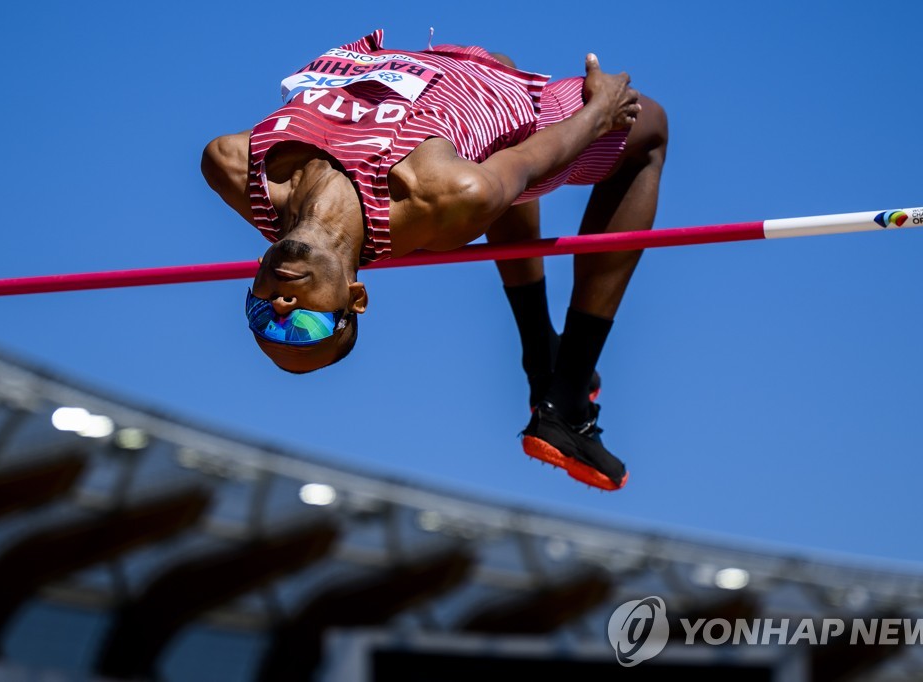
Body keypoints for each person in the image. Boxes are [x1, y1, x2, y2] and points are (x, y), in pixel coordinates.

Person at [201, 30, 668, 491]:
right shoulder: (436, 194)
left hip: (443, 71)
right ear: (355, 295)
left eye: (264, 318)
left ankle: (540, 354)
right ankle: (567, 395)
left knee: (500, 65)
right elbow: (526, 161)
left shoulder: (236, 168)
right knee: (648, 126)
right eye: (306, 327)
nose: (283, 308)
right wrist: (600, 113)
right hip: (492, 120)